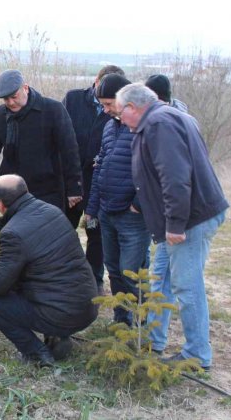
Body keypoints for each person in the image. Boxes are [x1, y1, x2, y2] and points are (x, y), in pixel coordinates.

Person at [116, 83, 229, 370]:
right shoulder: (170, 117)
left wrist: (176, 224)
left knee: (187, 286)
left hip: (190, 220)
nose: (119, 119)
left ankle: (196, 355)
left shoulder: (158, 124)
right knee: (160, 278)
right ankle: (153, 339)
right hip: (178, 219)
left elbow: (176, 178)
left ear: (133, 107)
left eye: (119, 113)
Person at [0, 175, 98, 366]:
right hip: (88, 305)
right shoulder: (52, 211)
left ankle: (36, 353)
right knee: (39, 280)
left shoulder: (12, 233)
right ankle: (58, 337)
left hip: (61, 311)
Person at [84, 74, 151, 326]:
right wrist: (92, 208)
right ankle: (122, 319)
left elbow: (154, 171)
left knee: (132, 271)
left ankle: (143, 326)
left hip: (132, 216)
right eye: (102, 104)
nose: (105, 109)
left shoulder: (142, 128)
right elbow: (99, 166)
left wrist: (138, 205)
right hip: (106, 212)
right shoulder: (110, 126)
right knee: (113, 269)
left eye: (109, 104)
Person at [0, 69, 82, 212]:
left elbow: (69, 150)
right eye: (5, 99)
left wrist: (74, 188)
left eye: (14, 97)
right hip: (12, 189)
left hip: (48, 189)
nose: (10, 102)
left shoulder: (53, 110)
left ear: (25, 88)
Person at [62, 65, 125, 293]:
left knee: (95, 231)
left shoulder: (117, 113)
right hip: (69, 179)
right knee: (64, 229)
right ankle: (66, 276)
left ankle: (93, 279)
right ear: (96, 81)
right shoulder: (73, 99)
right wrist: (69, 181)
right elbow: (60, 135)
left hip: (96, 183)